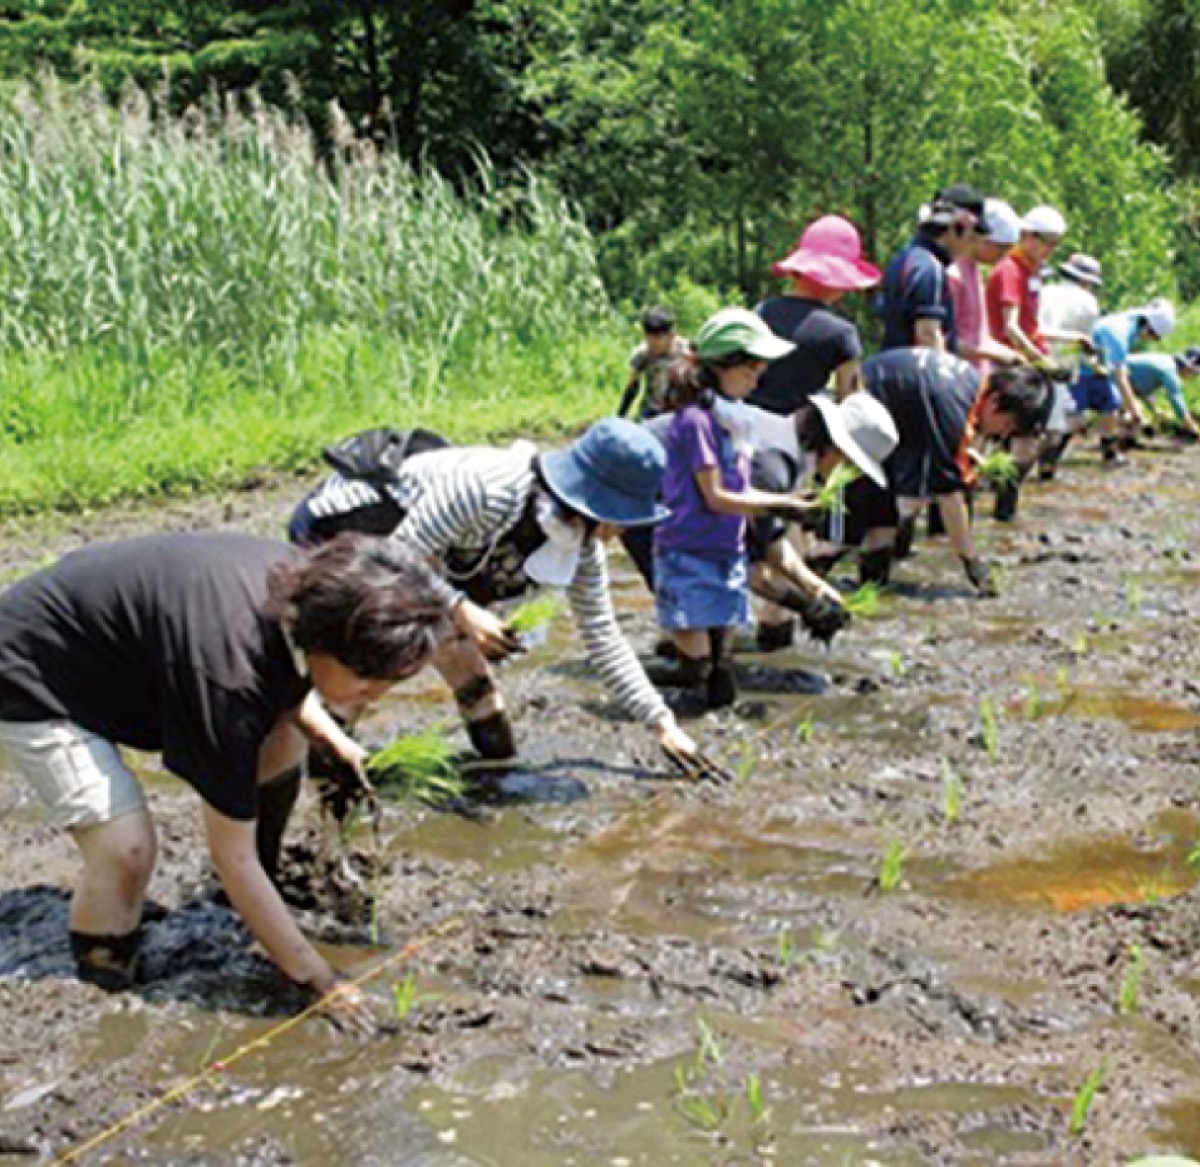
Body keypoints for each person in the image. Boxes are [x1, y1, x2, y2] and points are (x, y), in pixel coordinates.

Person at [0, 531, 452, 1028]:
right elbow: (228, 854)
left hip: (121, 644)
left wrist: (335, 740)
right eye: (367, 681)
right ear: (325, 642)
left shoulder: (313, 595)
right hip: (31, 667)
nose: (374, 697)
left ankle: (261, 889)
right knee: (123, 847)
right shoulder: (228, 680)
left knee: (284, 738)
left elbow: (289, 675)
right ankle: (104, 986)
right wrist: (319, 980)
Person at [289, 419, 723, 780]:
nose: (625, 531)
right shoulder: (489, 489)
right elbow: (399, 557)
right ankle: (325, 779)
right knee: (366, 671)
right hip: (351, 534)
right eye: (624, 517)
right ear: (593, 501)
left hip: (425, 566)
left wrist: (661, 722)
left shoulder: (582, 546)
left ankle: (492, 790)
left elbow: (603, 635)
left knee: (476, 687)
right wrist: (462, 610)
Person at [653, 308, 822, 707]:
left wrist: (782, 508)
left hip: (726, 551)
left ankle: (717, 727)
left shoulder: (736, 420)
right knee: (697, 667)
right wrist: (782, 505)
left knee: (723, 665)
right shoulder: (697, 421)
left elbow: (742, 488)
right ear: (723, 365)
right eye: (752, 368)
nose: (758, 376)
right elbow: (716, 496)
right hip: (687, 552)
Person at [836, 353, 1053, 593]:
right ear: (995, 401)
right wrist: (973, 564)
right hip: (851, 421)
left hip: (881, 427)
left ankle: (870, 597)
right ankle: (808, 592)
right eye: (1008, 425)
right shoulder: (953, 408)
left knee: (884, 524)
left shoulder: (968, 387)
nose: (1003, 434)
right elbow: (949, 496)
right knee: (839, 535)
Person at [751, 215, 880, 411]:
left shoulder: (762, 311)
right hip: (797, 433)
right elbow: (850, 402)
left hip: (745, 426)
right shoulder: (842, 334)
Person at [880, 183, 988, 354]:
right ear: (955, 228)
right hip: (916, 375)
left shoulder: (906, 257)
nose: (973, 243)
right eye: (973, 234)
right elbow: (928, 335)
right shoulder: (930, 269)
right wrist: (942, 378)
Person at [1073, 298, 1176, 463]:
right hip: (1081, 372)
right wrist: (1136, 412)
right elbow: (1120, 376)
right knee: (1073, 422)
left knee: (1112, 403)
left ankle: (1110, 454)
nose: (1150, 340)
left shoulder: (1127, 324)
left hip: (1091, 369)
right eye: (1154, 336)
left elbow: (1119, 369)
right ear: (1148, 327)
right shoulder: (1119, 333)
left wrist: (1138, 406)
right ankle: (1046, 462)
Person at [1036, 253, 1104, 478]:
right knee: (1066, 423)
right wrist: (1094, 365)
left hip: (1030, 354)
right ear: (1086, 281)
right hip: (1059, 365)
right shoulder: (1088, 303)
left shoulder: (1045, 290)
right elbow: (1084, 342)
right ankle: (1046, 469)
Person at [947, 198, 1025, 371]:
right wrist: (996, 355)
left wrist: (1016, 356)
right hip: (954, 377)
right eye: (1001, 248)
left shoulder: (974, 269)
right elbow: (944, 340)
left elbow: (977, 336)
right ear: (982, 239)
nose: (1004, 257)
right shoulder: (953, 274)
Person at [616, 306, 689, 421]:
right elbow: (632, 387)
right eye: (649, 337)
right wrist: (620, 416)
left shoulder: (685, 352)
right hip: (651, 411)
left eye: (658, 339)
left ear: (671, 337)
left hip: (678, 410)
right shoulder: (642, 353)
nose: (652, 343)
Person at [1125, 346, 1200, 440]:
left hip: (1117, 377)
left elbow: (1142, 389)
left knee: (1134, 413)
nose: (1193, 376)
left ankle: (1124, 439)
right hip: (1112, 378)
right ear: (1189, 368)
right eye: (1195, 373)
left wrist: (1156, 411)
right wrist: (1192, 427)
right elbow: (1176, 399)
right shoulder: (1169, 371)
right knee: (1134, 412)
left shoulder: (1165, 362)